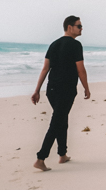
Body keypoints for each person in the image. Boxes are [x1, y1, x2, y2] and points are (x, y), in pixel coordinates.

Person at [31, 15, 90, 171]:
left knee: (61, 118)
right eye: (79, 26)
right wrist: (86, 87)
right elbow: (81, 69)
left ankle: (62, 155)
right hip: (66, 89)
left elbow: (45, 68)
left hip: (51, 89)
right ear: (70, 27)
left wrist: (37, 90)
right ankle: (41, 158)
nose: (81, 28)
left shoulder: (54, 44)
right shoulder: (76, 45)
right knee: (57, 121)